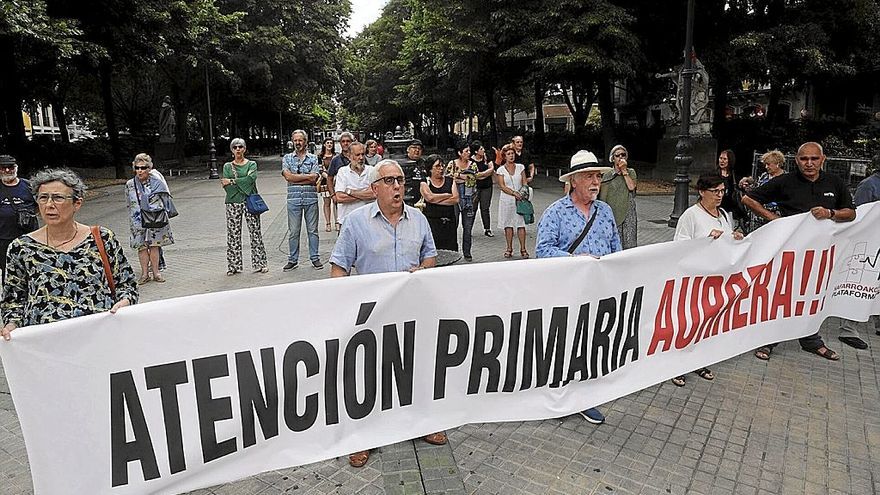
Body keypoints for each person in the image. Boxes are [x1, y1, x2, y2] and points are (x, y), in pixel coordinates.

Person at [330, 160, 442, 468]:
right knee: (369, 376)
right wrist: (347, 304)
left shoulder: (418, 219)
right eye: (389, 181)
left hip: (411, 310)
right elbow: (339, 268)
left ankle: (425, 423)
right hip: (372, 316)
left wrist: (423, 270)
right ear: (375, 188)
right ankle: (363, 437)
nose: (396, 186)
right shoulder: (356, 222)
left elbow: (430, 255)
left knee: (416, 368)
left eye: (400, 180)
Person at [742, 141, 856, 358]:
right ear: (797, 161)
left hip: (821, 254)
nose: (809, 163)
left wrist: (830, 213)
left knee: (812, 296)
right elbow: (748, 198)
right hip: (789, 252)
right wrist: (775, 220)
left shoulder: (834, 182)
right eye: (804, 159)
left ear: (823, 160)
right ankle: (768, 340)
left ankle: (811, 339)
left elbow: (851, 213)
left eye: (814, 159)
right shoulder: (785, 181)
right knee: (780, 296)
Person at [1, 169, 138, 341]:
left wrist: (125, 303)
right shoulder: (21, 248)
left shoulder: (102, 238)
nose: (49, 204)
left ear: (77, 203)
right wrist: (11, 325)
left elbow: (127, 285)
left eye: (58, 198)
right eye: (43, 198)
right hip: (45, 345)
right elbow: (13, 300)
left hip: (99, 340)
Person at [535, 150, 620, 425]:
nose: (596, 182)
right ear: (573, 181)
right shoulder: (555, 212)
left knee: (592, 344)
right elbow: (543, 251)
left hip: (598, 293)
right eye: (589, 176)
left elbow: (616, 249)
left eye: (598, 176)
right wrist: (575, 261)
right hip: (566, 294)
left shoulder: (605, 211)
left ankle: (584, 399)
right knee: (564, 344)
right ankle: (557, 396)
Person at [670, 174, 744, 386]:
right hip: (695, 278)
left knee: (707, 322)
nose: (720, 195)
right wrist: (705, 240)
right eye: (715, 191)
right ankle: (677, 365)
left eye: (722, 191)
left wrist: (734, 238)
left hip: (716, 279)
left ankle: (698, 361)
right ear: (702, 192)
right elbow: (680, 246)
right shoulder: (690, 215)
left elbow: (727, 242)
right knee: (688, 321)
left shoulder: (723, 214)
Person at [220, 138, 268, 276]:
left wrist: (233, 181)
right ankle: (233, 266)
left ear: (245, 149)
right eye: (235, 147)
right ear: (232, 150)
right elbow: (226, 186)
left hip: (250, 201)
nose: (238, 149)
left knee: (255, 233)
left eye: (241, 146)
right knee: (233, 234)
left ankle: (261, 263)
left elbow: (250, 180)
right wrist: (241, 184)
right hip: (232, 202)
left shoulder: (252, 164)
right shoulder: (227, 166)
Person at [124, 153, 174, 284]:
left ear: (149, 168)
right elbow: (128, 202)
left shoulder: (156, 182)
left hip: (154, 218)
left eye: (143, 167)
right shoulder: (130, 184)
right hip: (137, 220)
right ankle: (145, 274)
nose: (140, 170)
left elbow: (164, 199)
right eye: (137, 167)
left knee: (154, 246)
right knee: (141, 247)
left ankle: (156, 273)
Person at [281, 130, 322, 271]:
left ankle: (315, 258)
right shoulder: (287, 158)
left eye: (300, 140)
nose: (298, 143)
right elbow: (288, 177)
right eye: (295, 140)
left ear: (305, 141)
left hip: (311, 198)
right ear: (292, 141)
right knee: (293, 231)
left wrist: (296, 178)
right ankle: (292, 260)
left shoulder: (313, 158)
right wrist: (306, 178)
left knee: (313, 230)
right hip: (294, 199)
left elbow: (314, 178)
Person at [0, 155, 37, 283]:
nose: (7, 170)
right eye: (3, 168)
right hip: (4, 240)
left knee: (33, 269)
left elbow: (41, 207)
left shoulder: (29, 186)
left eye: (10, 167)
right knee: (9, 273)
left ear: (16, 167)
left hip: (29, 238)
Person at [599, 145, 638, 249]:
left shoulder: (631, 172)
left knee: (630, 244)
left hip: (628, 213)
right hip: (612, 213)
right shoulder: (607, 175)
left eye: (623, 155)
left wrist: (624, 171)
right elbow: (602, 196)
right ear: (612, 158)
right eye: (618, 155)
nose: (621, 157)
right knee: (615, 244)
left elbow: (631, 187)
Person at [739, 150, 787, 233]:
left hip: (777, 216)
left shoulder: (786, 178)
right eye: (765, 164)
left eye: (768, 164)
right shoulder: (764, 176)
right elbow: (756, 189)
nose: (766, 167)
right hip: (759, 216)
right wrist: (747, 185)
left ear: (777, 164)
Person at [496, 144, 530, 259]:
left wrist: (523, 192)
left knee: (521, 224)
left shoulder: (520, 167)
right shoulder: (500, 170)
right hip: (507, 200)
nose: (511, 156)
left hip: (520, 199)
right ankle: (509, 248)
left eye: (513, 154)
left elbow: (525, 182)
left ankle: (523, 249)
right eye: (509, 154)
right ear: (504, 156)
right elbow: (502, 186)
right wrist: (513, 193)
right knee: (508, 224)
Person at [420, 154, 459, 251]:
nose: (441, 169)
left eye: (442, 166)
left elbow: (455, 199)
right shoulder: (424, 182)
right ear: (430, 169)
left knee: (450, 251)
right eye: (437, 166)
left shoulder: (450, 181)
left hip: (448, 223)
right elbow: (429, 198)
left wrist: (435, 199)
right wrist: (447, 195)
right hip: (431, 223)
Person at [446, 142, 478, 260]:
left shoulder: (473, 165)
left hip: (469, 200)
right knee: (453, 226)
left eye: (469, 151)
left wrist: (459, 177)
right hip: (454, 199)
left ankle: (467, 252)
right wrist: (464, 177)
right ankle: (452, 251)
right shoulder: (452, 164)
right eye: (466, 151)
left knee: (468, 228)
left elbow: (473, 180)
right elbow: (449, 179)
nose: (469, 153)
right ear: (459, 153)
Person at [334, 141, 375, 225]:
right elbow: (340, 198)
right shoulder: (343, 172)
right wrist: (365, 194)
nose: (361, 158)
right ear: (349, 156)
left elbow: (374, 194)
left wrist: (350, 192)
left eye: (363, 154)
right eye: (357, 155)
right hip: (347, 220)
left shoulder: (371, 171)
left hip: (368, 221)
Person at [327, 132, 354, 231]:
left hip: (358, 197)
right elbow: (329, 178)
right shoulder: (335, 160)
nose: (346, 143)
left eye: (348, 141)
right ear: (340, 143)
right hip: (342, 197)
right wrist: (332, 195)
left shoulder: (358, 157)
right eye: (343, 141)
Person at [469, 141, 496, 237]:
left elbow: (491, 169)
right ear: (476, 151)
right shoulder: (470, 160)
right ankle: (468, 229)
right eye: (481, 149)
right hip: (475, 188)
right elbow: (473, 175)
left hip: (487, 186)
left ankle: (487, 229)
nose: (483, 150)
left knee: (485, 208)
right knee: (473, 208)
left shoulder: (486, 157)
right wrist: (485, 174)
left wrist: (482, 174)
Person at [716, 149, 745, 224]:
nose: (722, 161)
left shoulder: (734, 175)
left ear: (730, 160)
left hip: (730, 208)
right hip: (716, 206)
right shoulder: (714, 173)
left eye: (724, 159)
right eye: (720, 158)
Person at [317, 137, 336, 231]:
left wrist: (334, 178)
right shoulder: (320, 157)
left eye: (331, 143)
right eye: (327, 143)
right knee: (327, 203)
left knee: (336, 202)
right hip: (325, 182)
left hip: (336, 182)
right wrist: (329, 178)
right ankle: (328, 223)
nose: (329, 144)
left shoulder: (336, 156)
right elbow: (320, 170)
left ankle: (337, 222)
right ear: (324, 144)